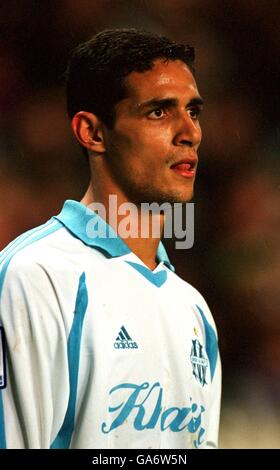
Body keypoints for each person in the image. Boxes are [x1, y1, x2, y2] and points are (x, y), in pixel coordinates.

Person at [0, 28, 221, 449]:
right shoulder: (36, 276)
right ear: (93, 132)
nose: (189, 132)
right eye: (159, 112)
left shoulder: (194, 310)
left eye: (193, 111)